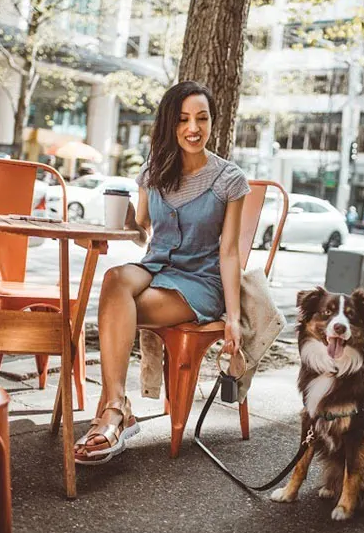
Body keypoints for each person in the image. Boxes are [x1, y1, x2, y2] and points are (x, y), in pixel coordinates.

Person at [74, 81, 250, 464]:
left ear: (212, 122)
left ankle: (113, 412)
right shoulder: (155, 169)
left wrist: (234, 318)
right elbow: (142, 231)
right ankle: (118, 405)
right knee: (114, 279)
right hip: (155, 267)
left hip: (198, 283)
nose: (193, 128)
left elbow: (230, 252)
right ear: (171, 124)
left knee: (118, 304)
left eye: (201, 119)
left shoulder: (229, 179)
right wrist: (117, 224)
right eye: (184, 119)